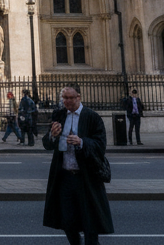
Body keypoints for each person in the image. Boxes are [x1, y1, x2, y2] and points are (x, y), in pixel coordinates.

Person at [42, 86, 113, 245]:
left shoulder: (91, 117)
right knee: (67, 220)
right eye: (64, 98)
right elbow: (47, 144)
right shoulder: (59, 115)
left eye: (70, 98)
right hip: (65, 177)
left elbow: (100, 145)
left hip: (86, 177)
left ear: (78, 97)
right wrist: (52, 136)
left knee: (90, 220)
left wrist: (82, 142)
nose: (66, 101)